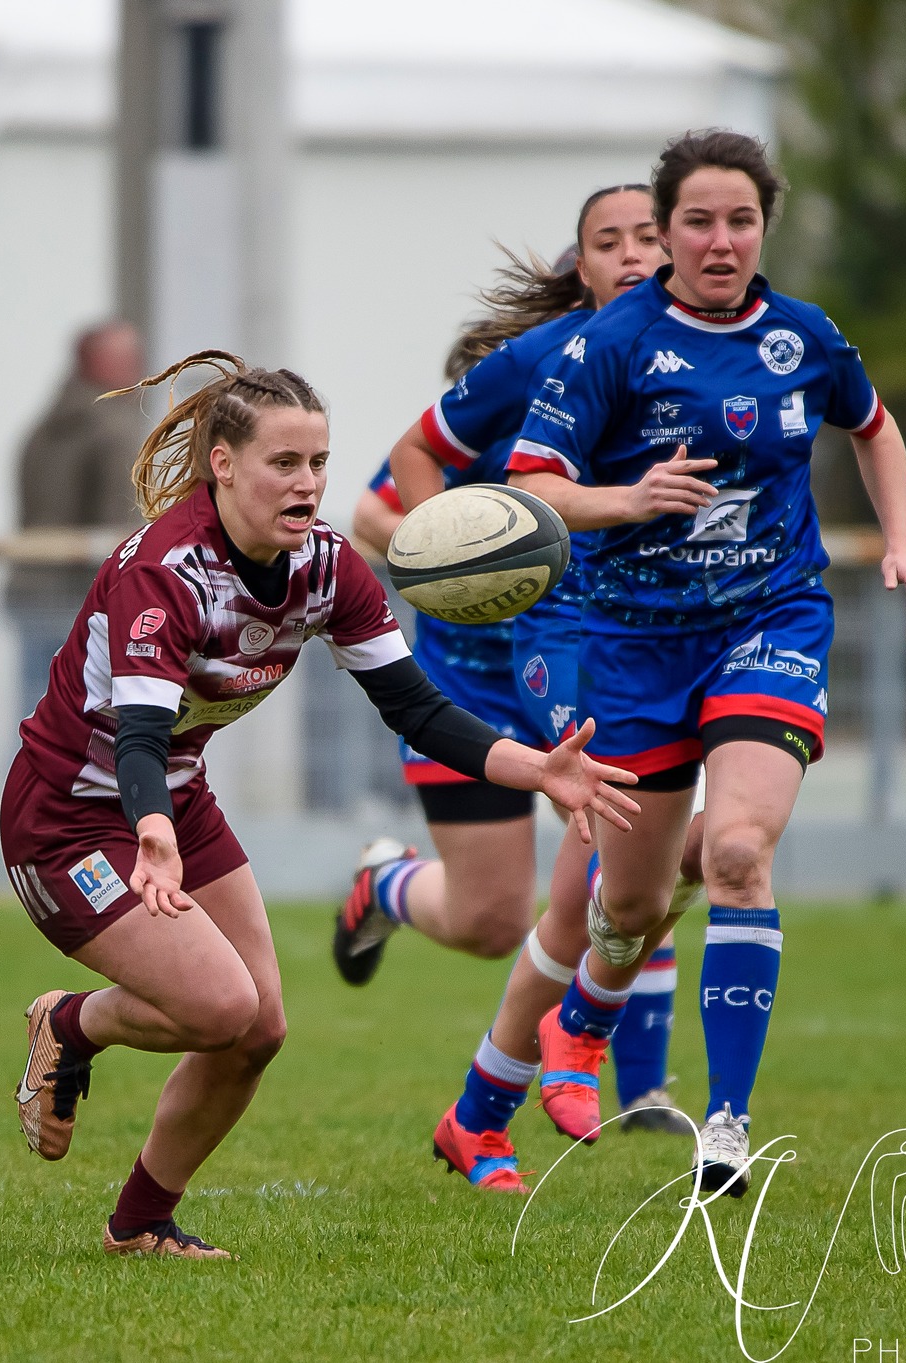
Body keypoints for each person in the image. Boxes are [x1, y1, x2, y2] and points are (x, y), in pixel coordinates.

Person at [1, 351, 640, 1257]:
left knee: (259, 1027)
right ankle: (68, 1021)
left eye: (318, 465)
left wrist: (536, 768)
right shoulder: (166, 572)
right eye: (284, 465)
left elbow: (414, 706)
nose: (307, 485)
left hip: (174, 802)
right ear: (224, 464)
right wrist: (149, 830)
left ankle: (140, 1224)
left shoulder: (328, 567)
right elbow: (137, 734)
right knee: (222, 1007)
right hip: (69, 817)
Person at [508, 130, 906, 1195]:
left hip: (770, 620)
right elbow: (530, 487)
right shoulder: (610, 341)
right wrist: (626, 498)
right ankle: (584, 1018)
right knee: (636, 897)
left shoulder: (802, 335)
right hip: (637, 641)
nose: (718, 239)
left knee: (739, 850)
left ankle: (726, 1124)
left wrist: (899, 545)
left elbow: (872, 428)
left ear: (762, 228)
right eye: (696, 220)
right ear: (665, 233)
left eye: (738, 219)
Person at [338, 188, 698, 1196]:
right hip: (473, 666)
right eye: (607, 243)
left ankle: (627, 1088)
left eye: (645, 239)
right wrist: (462, 567)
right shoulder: (528, 379)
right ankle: (388, 889)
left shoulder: (683, 373)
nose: (631, 256)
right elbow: (375, 508)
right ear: (577, 271)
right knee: (502, 913)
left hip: (579, 650)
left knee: (625, 843)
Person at [7, 320, 149, 719]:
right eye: (130, 357)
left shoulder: (45, 426)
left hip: (33, 591)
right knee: (86, 724)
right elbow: (121, 530)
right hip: (81, 600)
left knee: (38, 717)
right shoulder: (114, 429)